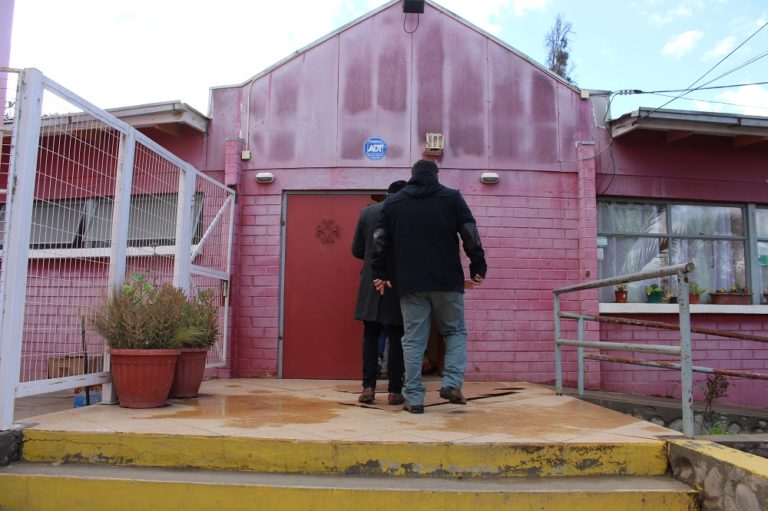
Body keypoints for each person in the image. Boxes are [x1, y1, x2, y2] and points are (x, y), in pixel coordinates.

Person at [371, 160, 487, 414]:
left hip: (410, 283)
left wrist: (379, 271)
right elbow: (469, 231)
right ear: (436, 175)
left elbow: (379, 239)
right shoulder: (451, 198)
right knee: (454, 332)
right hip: (447, 281)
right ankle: (452, 383)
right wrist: (477, 264)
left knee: (413, 341)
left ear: (412, 176)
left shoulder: (393, 202)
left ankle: (414, 399)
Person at [352, 180, 408, 405]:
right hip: (398, 281)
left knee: (370, 334)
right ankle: (395, 391)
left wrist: (370, 258)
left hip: (370, 280)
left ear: (387, 193)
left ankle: (368, 389)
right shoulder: (406, 212)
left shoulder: (368, 213)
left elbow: (356, 249)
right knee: (397, 336)